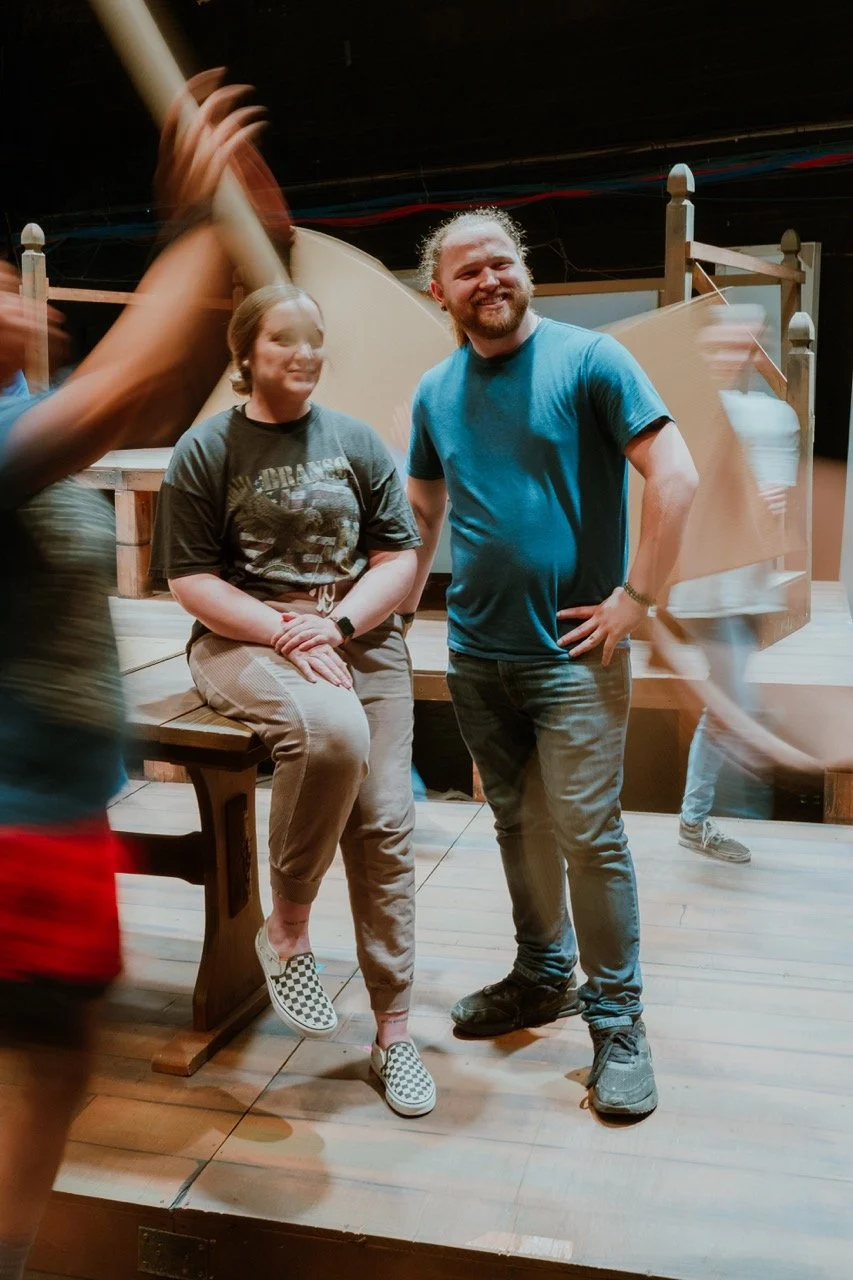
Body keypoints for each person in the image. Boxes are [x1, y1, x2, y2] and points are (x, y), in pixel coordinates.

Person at [0, 72, 270, 1280]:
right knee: (32, 1064)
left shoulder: (25, 414)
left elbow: (162, 385)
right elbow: (121, 390)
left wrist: (242, 244)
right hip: (6, 820)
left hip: (52, 812)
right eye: (2, 282)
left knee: (50, 1060)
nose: (21, 294)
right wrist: (195, 224)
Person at [401, 207, 699, 1117]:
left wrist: (635, 601)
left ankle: (617, 1023)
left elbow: (677, 478)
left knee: (589, 836)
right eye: (466, 272)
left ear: (523, 267)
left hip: (571, 659)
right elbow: (420, 519)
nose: (486, 281)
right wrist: (386, 619)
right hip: (475, 657)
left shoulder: (591, 361)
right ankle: (540, 978)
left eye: (499, 263)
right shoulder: (434, 391)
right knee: (516, 828)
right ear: (438, 292)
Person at [150, 282, 437, 1118]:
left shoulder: (352, 442)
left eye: (314, 338)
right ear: (246, 354)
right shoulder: (208, 448)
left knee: (385, 824)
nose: (304, 353)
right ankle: (288, 930)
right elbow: (190, 578)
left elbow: (398, 558)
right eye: (283, 339)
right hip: (243, 638)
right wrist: (284, 633)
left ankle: (393, 1033)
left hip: (359, 637)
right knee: (331, 731)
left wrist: (337, 622)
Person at [667, 306, 801, 863]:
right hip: (701, 588)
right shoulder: (685, 415)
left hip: (746, 587)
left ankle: (701, 819)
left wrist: (771, 505)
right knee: (732, 706)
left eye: (743, 345)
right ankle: (699, 820)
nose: (732, 355)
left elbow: (776, 498)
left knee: (728, 705)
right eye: (721, 345)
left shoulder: (773, 418)